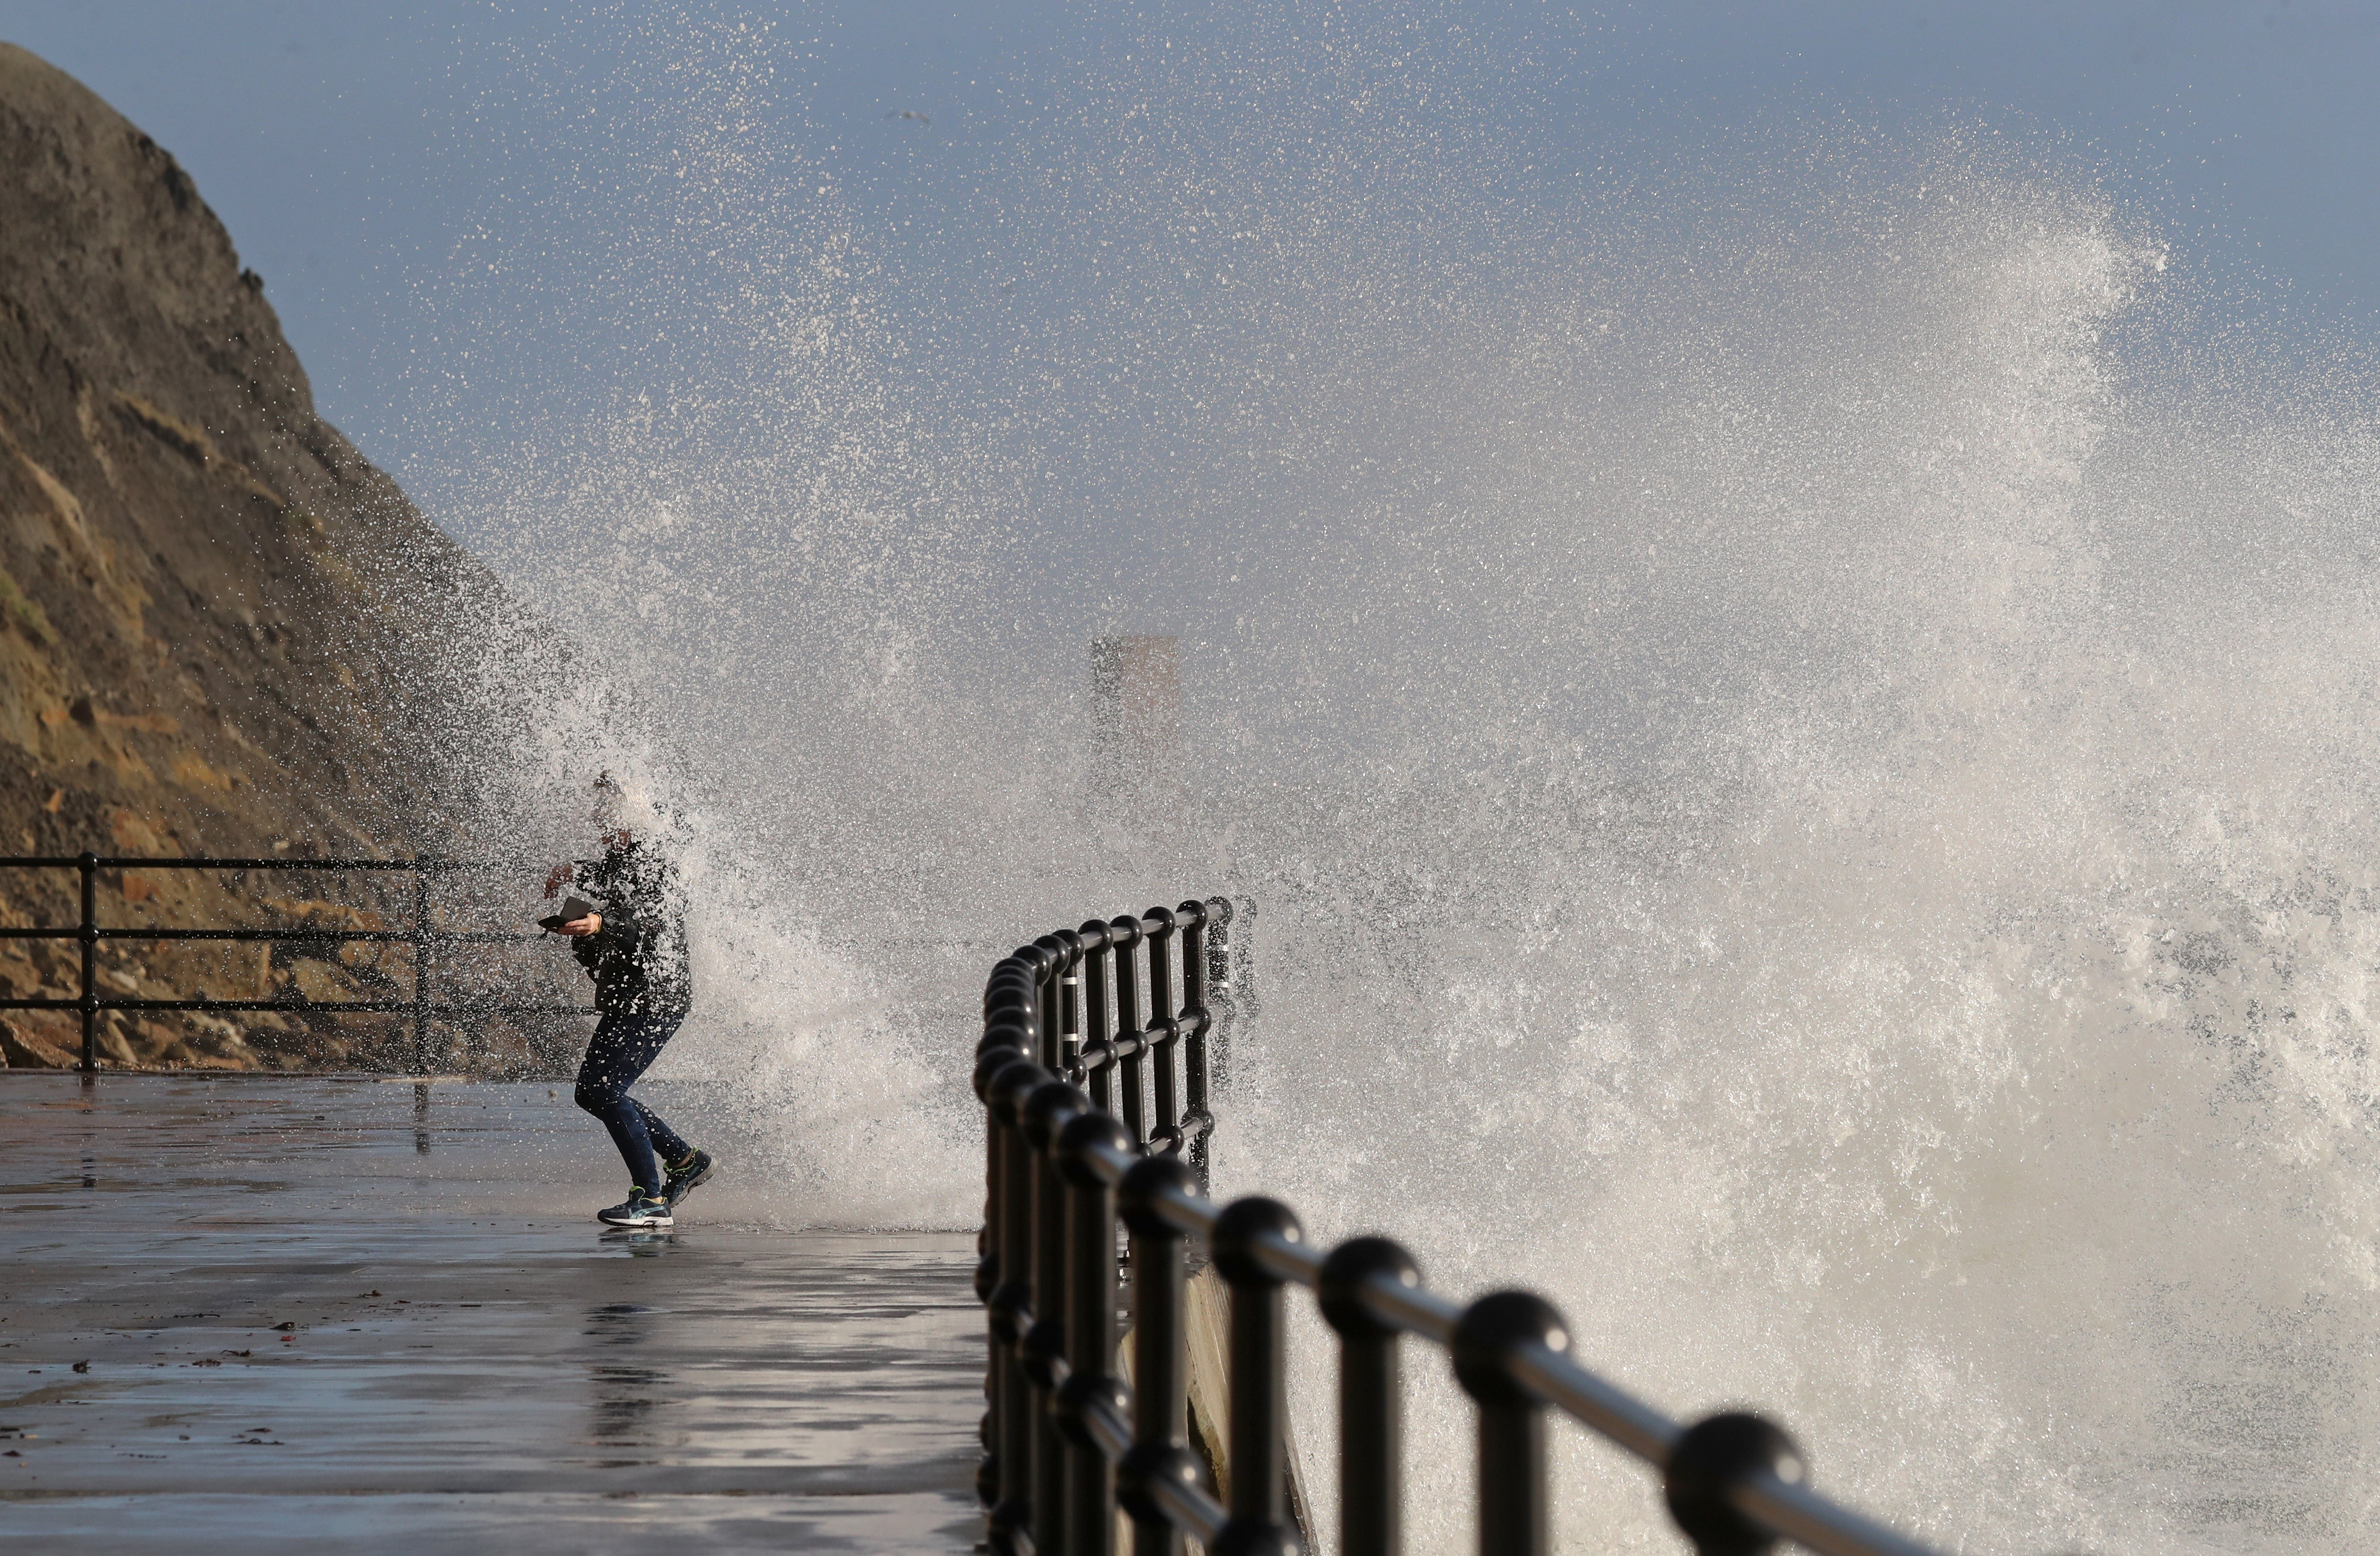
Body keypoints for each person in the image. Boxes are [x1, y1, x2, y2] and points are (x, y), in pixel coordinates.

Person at [543, 774, 712, 1228]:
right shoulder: (625, 858)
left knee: (602, 1091)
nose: (601, 822)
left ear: (634, 816)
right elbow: (613, 879)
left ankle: (652, 1200)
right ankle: (683, 1159)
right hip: (636, 996)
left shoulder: (656, 860)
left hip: (654, 998)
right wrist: (574, 872)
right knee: (595, 1092)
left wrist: (599, 921)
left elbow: (649, 919)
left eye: (608, 814)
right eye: (598, 813)